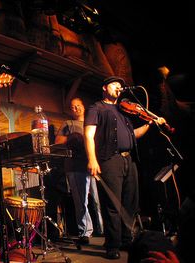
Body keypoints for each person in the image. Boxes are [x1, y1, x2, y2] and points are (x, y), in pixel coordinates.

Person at [84, 76, 166, 259]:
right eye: (115, 85)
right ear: (105, 88)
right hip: (109, 159)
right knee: (112, 204)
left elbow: (133, 135)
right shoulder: (96, 108)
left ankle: (126, 240)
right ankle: (112, 245)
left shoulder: (123, 111)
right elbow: (88, 135)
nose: (119, 88)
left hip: (129, 160)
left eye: (121, 86)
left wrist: (150, 123)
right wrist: (92, 159)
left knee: (130, 203)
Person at [55, 97, 103, 245]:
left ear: (84, 106)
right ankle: (85, 232)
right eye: (72, 107)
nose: (75, 108)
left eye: (78, 105)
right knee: (81, 201)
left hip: (94, 166)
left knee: (98, 200)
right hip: (75, 167)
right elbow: (57, 142)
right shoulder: (67, 124)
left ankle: (103, 229)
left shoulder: (92, 123)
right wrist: (73, 138)